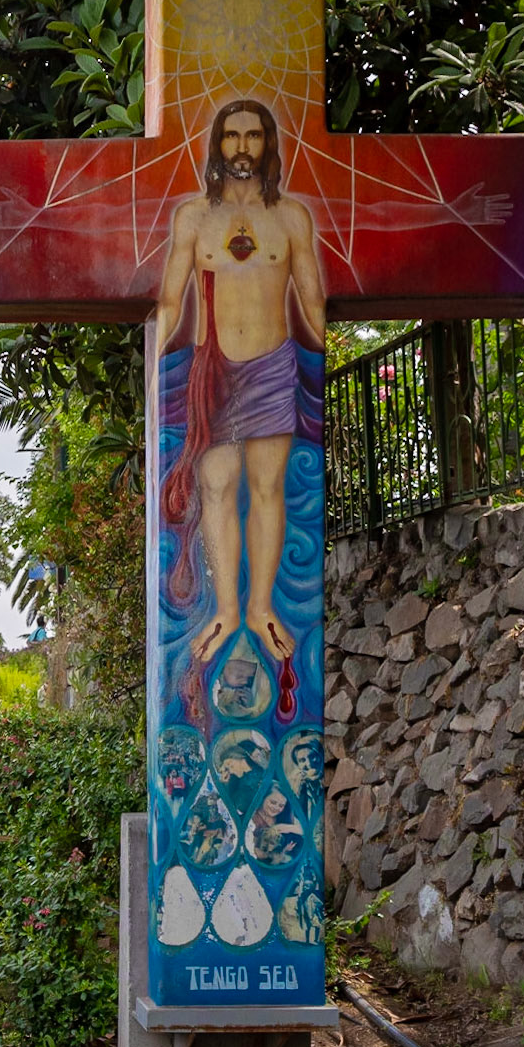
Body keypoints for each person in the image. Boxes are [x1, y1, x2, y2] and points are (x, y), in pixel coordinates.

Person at [155, 100, 326, 677]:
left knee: (268, 483)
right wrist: (162, 378)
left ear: (269, 143)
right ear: (218, 146)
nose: (243, 147)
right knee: (217, 482)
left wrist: (318, 367)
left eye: (254, 135)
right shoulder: (193, 218)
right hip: (216, 367)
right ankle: (226, 607)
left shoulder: (293, 218)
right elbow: (169, 300)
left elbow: (313, 300)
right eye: (232, 136)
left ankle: (259, 607)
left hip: (274, 364)